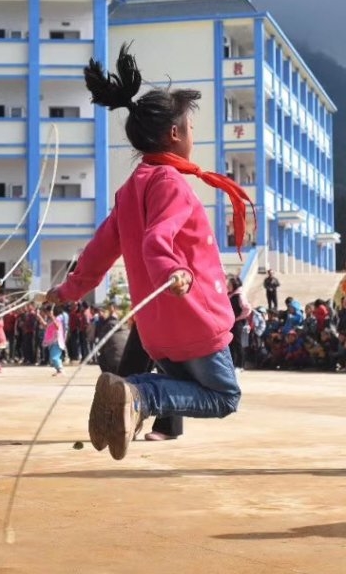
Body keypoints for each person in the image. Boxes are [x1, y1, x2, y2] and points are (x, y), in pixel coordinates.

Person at [47, 45, 245, 460]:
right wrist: (174, 270)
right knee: (225, 397)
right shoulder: (170, 183)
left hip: (157, 333)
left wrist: (67, 291)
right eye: (190, 128)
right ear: (174, 135)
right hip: (194, 319)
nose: (192, 136)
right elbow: (158, 240)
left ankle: (131, 398)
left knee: (186, 388)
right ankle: (138, 396)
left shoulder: (130, 189)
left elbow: (98, 253)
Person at [43, 306, 65, 376]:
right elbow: (45, 326)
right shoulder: (50, 320)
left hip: (57, 340)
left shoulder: (57, 319)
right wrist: (38, 316)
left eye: (47, 312)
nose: (46, 313)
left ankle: (60, 370)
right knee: (53, 357)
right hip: (51, 341)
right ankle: (58, 370)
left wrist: (52, 316)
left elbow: (57, 326)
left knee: (55, 357)